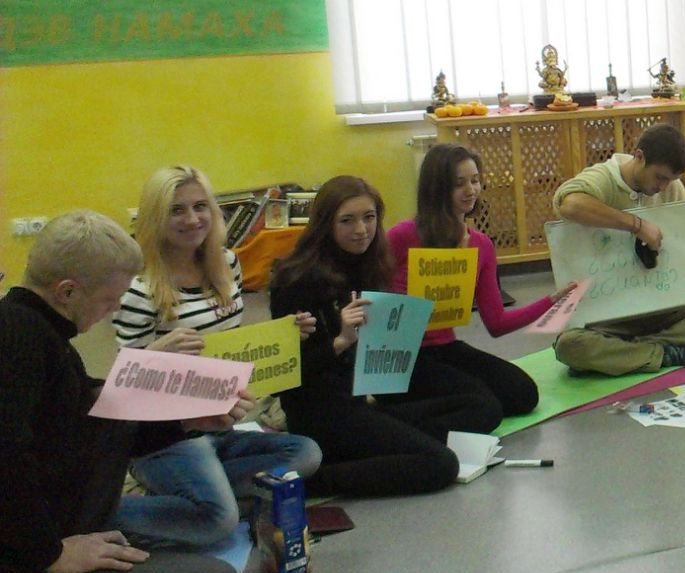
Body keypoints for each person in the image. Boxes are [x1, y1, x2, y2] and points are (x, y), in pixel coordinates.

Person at [0, 211, 238, 573]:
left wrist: (186, 421)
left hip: (66, 526)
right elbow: (6, 459)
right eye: (109, 301)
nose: (111, 311)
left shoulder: (45, 337)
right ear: (67, 291)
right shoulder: (18, 338)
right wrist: (51, 554)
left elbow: (103, 430)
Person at [110, 166, 322, 548]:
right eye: (176, 210)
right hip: (167, 436)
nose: (192, 219)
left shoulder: (226, 263)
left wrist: (284, 334)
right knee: (218, 521)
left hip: (220, 426)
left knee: (306, 453)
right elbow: (125, 391)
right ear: (155, 217)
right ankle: (100, 513)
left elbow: (229, 341)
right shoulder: (139, 288)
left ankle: (200, 495)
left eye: (200, 206)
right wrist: (156, 354)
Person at [268, 176, 478, 497]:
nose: (361, 230)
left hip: (361, 400)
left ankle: (382, 448)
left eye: (369, 218)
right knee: (441, 464)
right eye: (347, 221)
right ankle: (311, 482)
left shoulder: (369, 264)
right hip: (320, 414)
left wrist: (404, 325)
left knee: (476, 406)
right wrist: (339, 342)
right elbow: (286, 379)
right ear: (325, 225)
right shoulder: (295, 280)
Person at [388, 143, 577, 424]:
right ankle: (393, 417)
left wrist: (550, 302)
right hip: (402, 355)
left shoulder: (481, 245)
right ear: (437, 188)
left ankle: (420, 408)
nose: (471, 190)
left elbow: (497, 323)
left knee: (523, 394)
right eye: (459, 184)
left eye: (475, 181)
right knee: (484, 408)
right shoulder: (402, 235)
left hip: (444, 348)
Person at [551, 124, 685, 375]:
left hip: (663, 307)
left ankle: (638, 352)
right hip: (610, 317)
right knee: (569, 346)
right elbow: (570, 205)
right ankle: (674, 351)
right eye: (660, 177)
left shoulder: (672, 188)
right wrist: (636, 225)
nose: (664, 187)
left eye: (670, 180)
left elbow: (682, 248)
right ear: (639, 157)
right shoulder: (604, 177)